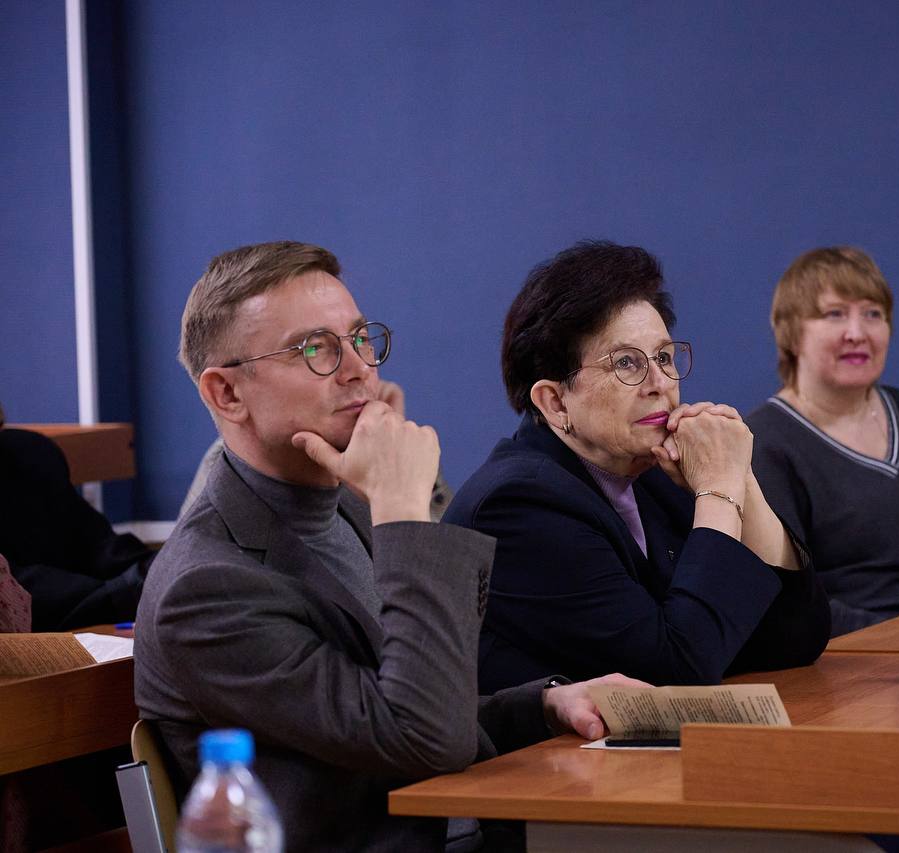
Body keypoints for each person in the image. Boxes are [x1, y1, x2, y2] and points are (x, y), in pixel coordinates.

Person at [134, 241, 640, 852]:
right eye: (314, 349)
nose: (359, 369)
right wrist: (403, 511)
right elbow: (424, 738)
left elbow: (405, 704)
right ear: (227, 394)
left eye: (359, 338)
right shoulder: (207, 588)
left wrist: (545, 705)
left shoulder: (346, 506)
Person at [444, 240, 830, 693]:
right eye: (626, 363)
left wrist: (739, 478)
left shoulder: (648, 473)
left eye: (664, 357)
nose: (661, 383)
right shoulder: (517, 507)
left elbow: (797, 637)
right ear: (554, 402)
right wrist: (718, 493)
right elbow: (677, 671)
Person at [746, 247, 899, 637]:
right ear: (792, 333)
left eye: (872, 314)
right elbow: (790, 601)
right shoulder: (765, 442)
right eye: (834, 314)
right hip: (862, 652)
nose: (857, 333)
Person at [0, 401, 153, 631]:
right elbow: (20, 594)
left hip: (98, 614)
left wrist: (157, 570)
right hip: (39, 630)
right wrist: (124, 591)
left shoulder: (28, 453)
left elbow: (96, 542)